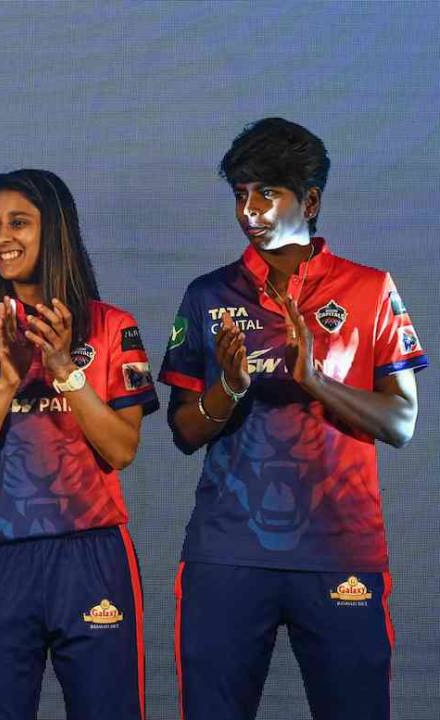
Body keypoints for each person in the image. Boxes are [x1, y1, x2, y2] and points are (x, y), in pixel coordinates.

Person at [159, 118, 427, 720]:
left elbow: (402, 422)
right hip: (227, 553)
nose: (249, 211)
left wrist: (316, 381)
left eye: (267, 194)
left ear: (309, 200)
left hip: (341, 552)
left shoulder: (370, 289)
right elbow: (182, 432)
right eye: (240, 195)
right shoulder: (208, 295)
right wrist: (227, 388)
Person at [0, 169, 157, 720]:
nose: (2, 237)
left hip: (91, 555)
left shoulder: (110, 327)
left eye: (19, 223)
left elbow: (122, 450)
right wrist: (6, 384)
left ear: (57, 231)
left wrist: (63, 369)